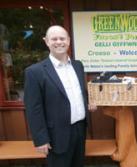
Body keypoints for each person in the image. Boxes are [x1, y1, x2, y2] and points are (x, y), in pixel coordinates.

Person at [24, 25, 96, 167]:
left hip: (80, 129)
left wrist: (88, 102)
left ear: (68, 41)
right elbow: (34, 109)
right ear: (46, 41)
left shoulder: (78, 66)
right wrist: (40, 139)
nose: (59, 42)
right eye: (54, 39)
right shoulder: (34, 72)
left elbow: (79, 92)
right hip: (56, 135)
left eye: (62, 38)